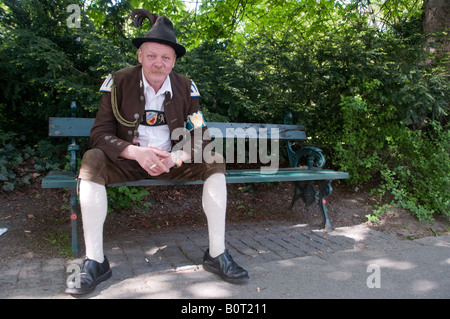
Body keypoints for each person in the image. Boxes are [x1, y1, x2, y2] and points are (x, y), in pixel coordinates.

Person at [65, 9, 249, 295]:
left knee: (214, 158)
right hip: (128, 160)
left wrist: (176, 157)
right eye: (151, 56)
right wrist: (135, 153)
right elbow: (99, 134)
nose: (158, 63)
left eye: (165, 58)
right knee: (91, 161)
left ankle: (216, 254)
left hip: (172, 161)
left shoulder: (187, 87)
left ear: (173, 61)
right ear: (140, 56)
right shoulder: (117, 82)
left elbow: (200, 134)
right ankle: (95, 261)